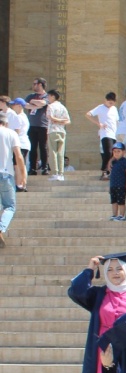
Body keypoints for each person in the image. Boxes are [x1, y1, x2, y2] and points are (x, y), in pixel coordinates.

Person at [0, 112, 25, 247]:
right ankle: (1, 227)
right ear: (6, 123)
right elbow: (18, 156)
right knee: (9, 206)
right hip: (5, 174)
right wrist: (22, 174)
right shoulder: (11, 133)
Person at [85, 92, 118, 177]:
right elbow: (88, 114)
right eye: (109, 102)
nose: (111, 104)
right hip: (105, 133)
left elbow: (117, 121)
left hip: (114, 133)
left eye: (112, 102)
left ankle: (110, 170)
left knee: (114, 154)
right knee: (108, 152)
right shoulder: (100, 107)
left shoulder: (114, 109)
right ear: (106, 100)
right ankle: (104, 170)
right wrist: (98, 124)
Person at [24, 77, 49, 175]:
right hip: (32, 125)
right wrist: (36, 105)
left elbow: (43, 103)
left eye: (35, 83)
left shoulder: (46, 96)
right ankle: (32, 168)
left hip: (43, 125)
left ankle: (45, 167)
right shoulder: (30, 95)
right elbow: (25, 105)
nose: (33, 85)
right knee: (33, 147)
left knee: (43, 147)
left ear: (40, 85)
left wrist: (33, 102)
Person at [45, 89, 70, 182]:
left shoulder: (50, 106)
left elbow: (50, 117)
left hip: (53, 131)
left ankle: (55, 173)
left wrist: (57, 120)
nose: (48, 98)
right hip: (62, 131)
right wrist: (61, 121)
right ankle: (61, 173)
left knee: (53, 152)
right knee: (60, 153)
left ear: (53, 96)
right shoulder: (63, 107)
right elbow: (68, 121)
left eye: (48, 96)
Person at [106, 142, 126, 221]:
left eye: (118, 151)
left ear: (123, 152)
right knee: (114, 201)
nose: (116, 153)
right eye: (115, 151)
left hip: (121, 185)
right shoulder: (113, 162)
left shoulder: (125, 161)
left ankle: (121, 215)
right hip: (113, 185)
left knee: (121, 201)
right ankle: (114, 214)